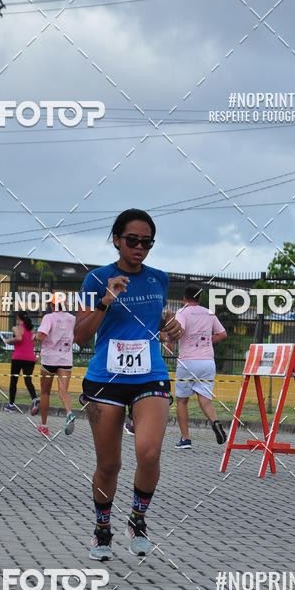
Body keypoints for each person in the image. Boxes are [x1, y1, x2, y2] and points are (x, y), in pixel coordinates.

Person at [74, 207, 183, 561]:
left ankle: (137, 520)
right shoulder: (96, 280)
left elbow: (157, 316)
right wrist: (106, 300)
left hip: (150, 374)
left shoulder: (159, 279)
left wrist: (171, 324)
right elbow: (80, 336)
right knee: (109, 464)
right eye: (133, 240)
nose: (140, 247)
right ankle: (102, 530)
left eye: (147, 242)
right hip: (105, 380)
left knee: (149, 452)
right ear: (117, 240)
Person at [172, 284, 227, 449]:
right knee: (205, 399)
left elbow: (179, 331)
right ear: (199, 298)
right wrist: (207, 340)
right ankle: (214, 422)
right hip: (207, 362)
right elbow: (222, 334)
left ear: (184, 299)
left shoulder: (182, 312)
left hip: (187, 361)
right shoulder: (209, 312)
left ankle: (185, 439)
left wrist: (170, 337)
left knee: (182, 401)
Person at [34, 293, 76, 437]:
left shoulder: (49, 318)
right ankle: (69, 412)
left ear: (52, 305)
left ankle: (44, 426)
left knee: (45, 393)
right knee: (63, 391)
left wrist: (35, 337)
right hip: (65, 359)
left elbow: (41, 336)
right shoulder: (72, 319)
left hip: (49, 360)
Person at [3, 310, 39, 414]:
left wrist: (9, 340)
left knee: (14, 381)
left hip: (18, 357)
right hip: (30, 358)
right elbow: (33, 341)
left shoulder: (16, 328)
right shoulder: (31, 329)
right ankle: (34, 399)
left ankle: (11, 404)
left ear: (18, 318)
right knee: (28, 380)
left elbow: (18, 338)